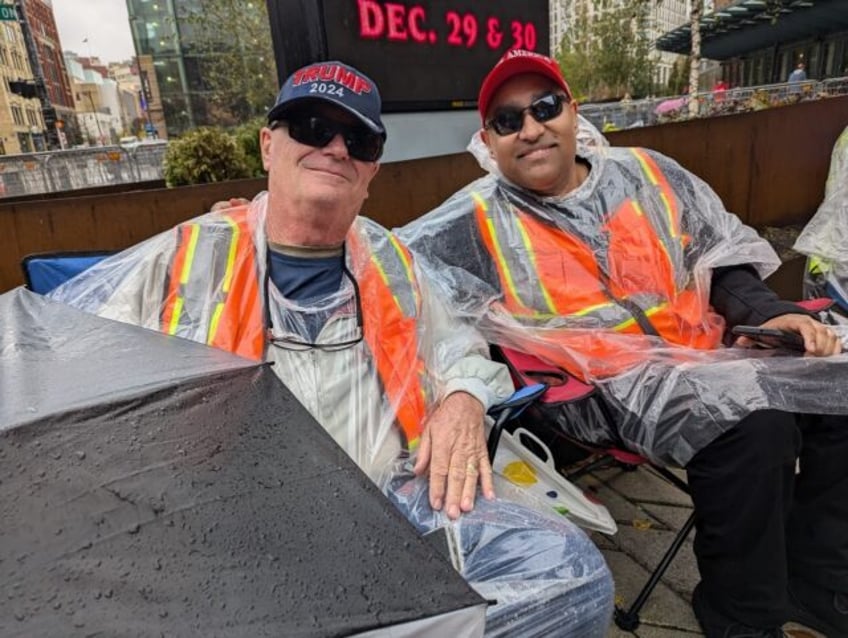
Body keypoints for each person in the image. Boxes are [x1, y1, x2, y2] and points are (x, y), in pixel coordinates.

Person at [49, 60, 613, 636]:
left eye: (359, 139)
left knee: (570, 578)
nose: (337, 148)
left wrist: (465, 399)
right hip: (226, 534)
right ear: (269, 146)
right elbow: (75, 376)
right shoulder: (184, 258)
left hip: (388, 512)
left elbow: (462, 349)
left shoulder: (394, 262)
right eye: (313, 128)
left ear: (371, 170)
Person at [397, 50, 848, 638]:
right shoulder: (476, 219)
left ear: (572, 112)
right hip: (600, 390)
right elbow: (386, 261)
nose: (530, 129)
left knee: (837, 387)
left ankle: (816, 590)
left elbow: (722, 260)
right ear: (489, 140)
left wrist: (773, 314)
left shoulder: (648, 173)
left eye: (544, 107)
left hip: (714, 355)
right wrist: (264, 219)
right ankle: (742, 617)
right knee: (757, 427)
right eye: (508, 121)